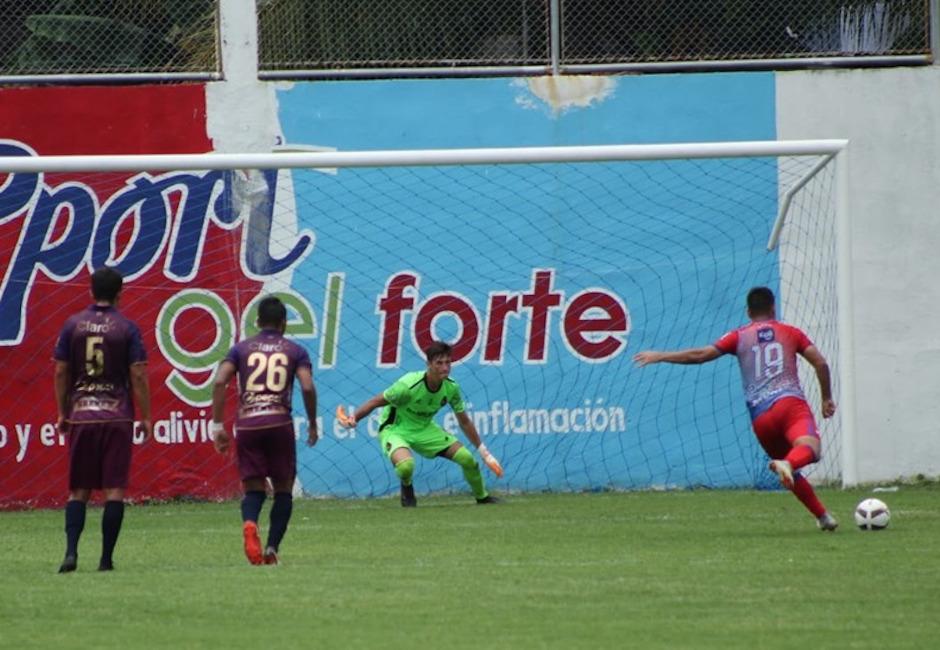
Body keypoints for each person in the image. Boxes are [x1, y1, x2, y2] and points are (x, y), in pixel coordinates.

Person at [633, 286, 839, 531]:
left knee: (789, 469)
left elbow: (701, 355)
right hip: (789, 405)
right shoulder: (791, 332)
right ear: (773, 307)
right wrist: (826, 397)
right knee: (810, 450)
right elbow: (821, 363)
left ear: (748, 311)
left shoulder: (738, 336)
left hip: (761, 418)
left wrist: (661, 355)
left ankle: (823, 517)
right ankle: (791, 466)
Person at [54, 267, 153, 573]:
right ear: (120, 292)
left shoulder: (72, 325)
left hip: (82, 414)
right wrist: (146, 416)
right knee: (114, 490)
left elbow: (60, 370)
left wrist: (62, 411)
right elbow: (137, 373)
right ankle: (106, 559)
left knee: (79, 491)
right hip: (116, 415)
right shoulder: (127, 328)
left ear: (90, 291)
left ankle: (71, 552)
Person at [211, 295, 318, 566]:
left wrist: (217, 425)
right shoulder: (295, 350)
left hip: (248, 423)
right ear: (283, 324)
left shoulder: (241, 349)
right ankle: (271, 548)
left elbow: (220, 380)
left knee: (253, 489)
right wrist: (313, 422)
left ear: (258, 322)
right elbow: (306, 386)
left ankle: (250, 523)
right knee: (283, 489)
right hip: (279, 422)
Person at [337, 341, 503, 507]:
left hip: (424, 428)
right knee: (406, 467)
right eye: (439, 363)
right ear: (428, 364)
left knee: (467, 459)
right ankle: (407, 485)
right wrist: (354, 418)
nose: (445, 368)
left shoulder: (451, 387)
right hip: (395, 429)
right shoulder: (408, 386)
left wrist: (485, 454)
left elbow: (464, 421)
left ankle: (482, 497)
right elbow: (375, 401)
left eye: (448, 363)